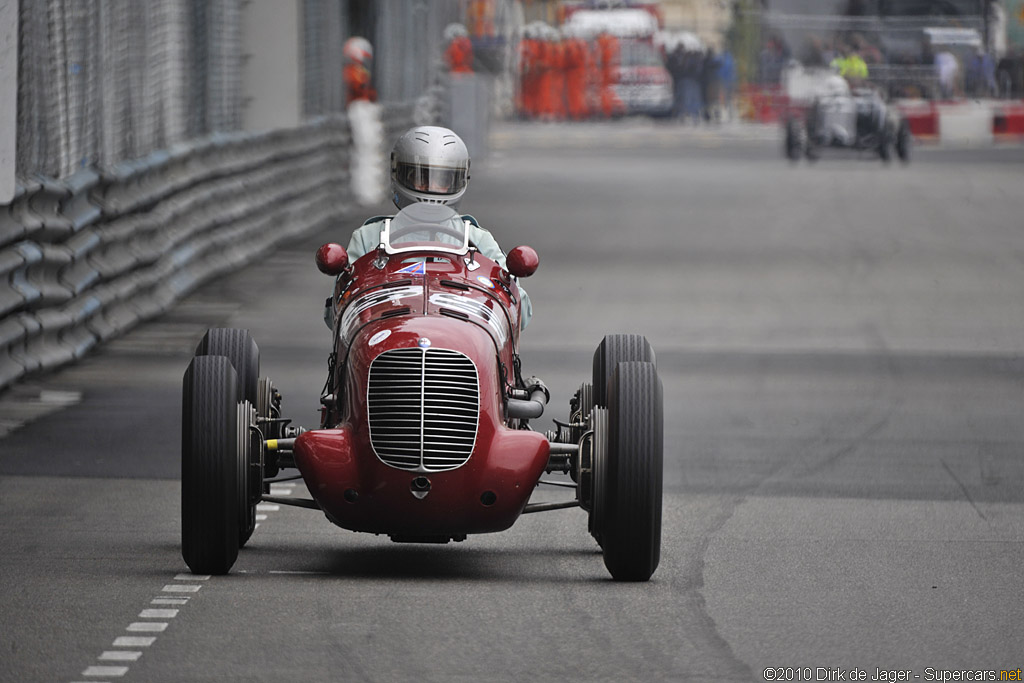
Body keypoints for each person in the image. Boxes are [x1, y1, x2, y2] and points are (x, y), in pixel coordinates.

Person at [326, 126, 532, 330]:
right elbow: (336, 313)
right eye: (420, 178)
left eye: (442, 180)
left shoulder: (477, 240)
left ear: (459, 181)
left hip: (457, 336)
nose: (431, 188)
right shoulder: (368, 237)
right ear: (401, 175)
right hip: (388, 333)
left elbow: (520, 313)